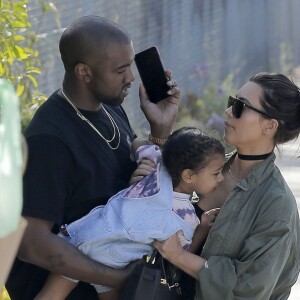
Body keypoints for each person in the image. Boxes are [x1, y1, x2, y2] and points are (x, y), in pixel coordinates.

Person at [6, 15, 180, 299]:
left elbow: (131, 175)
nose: (131, 77)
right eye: (120, 69)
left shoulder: (109, 109)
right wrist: (118, 278)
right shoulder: (49, 140)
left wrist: (160, 127)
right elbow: (31, 242)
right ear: (84, 72)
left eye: (130, 66)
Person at [154, 72, 300, 299]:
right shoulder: (204, 166)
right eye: (233, 102)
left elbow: (247, 288)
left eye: (241, 106)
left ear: (269, 126)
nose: (228, 111)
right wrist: (160, 128)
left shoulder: (277, 205)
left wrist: (179, 257)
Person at [34, 127, 225, 299]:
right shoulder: (185, 219)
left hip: (85, 236)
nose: (221, 178)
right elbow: (178, 257)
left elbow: (137, 142)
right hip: (112, 265)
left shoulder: (156, 165)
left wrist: (154, 152)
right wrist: (201, 230)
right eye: (216, 173)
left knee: (51, 294)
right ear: (188, 175)